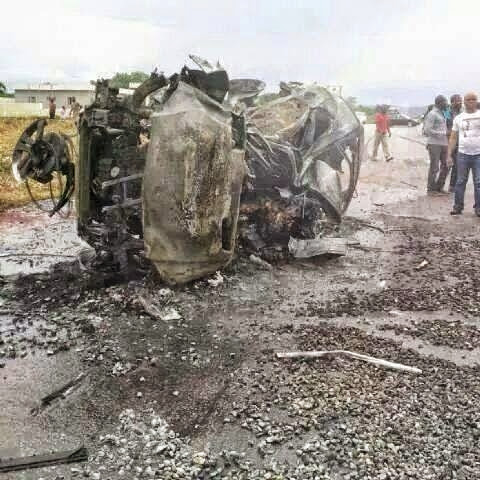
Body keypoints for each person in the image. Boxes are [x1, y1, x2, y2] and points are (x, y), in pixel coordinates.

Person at [448, 92, 480, 215]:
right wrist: (449, 155)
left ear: (476, 101)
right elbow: (453, 137)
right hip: (462, 155)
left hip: (478, 155)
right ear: (464, 102)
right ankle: (458, 206)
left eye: (474, 99)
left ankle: (478, 208)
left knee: (478, 182)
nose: (471, 101)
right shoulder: (458, 118)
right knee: (460, 181)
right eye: (469, 99)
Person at [423, 95, 449, 195]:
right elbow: (427, 130)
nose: (447, 104)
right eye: (445, 102)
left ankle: (439, 187)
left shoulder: (443, 113)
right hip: (434, 143)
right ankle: (431, 189)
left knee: (446, 165)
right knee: (434, 167)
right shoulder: (432, 114)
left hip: (444, 143)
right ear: (439, 103)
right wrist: (442, 133)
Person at [446, 94, 463, 192]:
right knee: (446, 165)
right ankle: (438, 186)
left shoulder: (461, 112)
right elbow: (446, 127)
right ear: (452, 102)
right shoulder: (447, 113)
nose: (460, 102)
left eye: (461, 100)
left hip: (459, 143)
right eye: (458, 101)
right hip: (448, 142)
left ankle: (452, 186)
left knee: (457, 165)